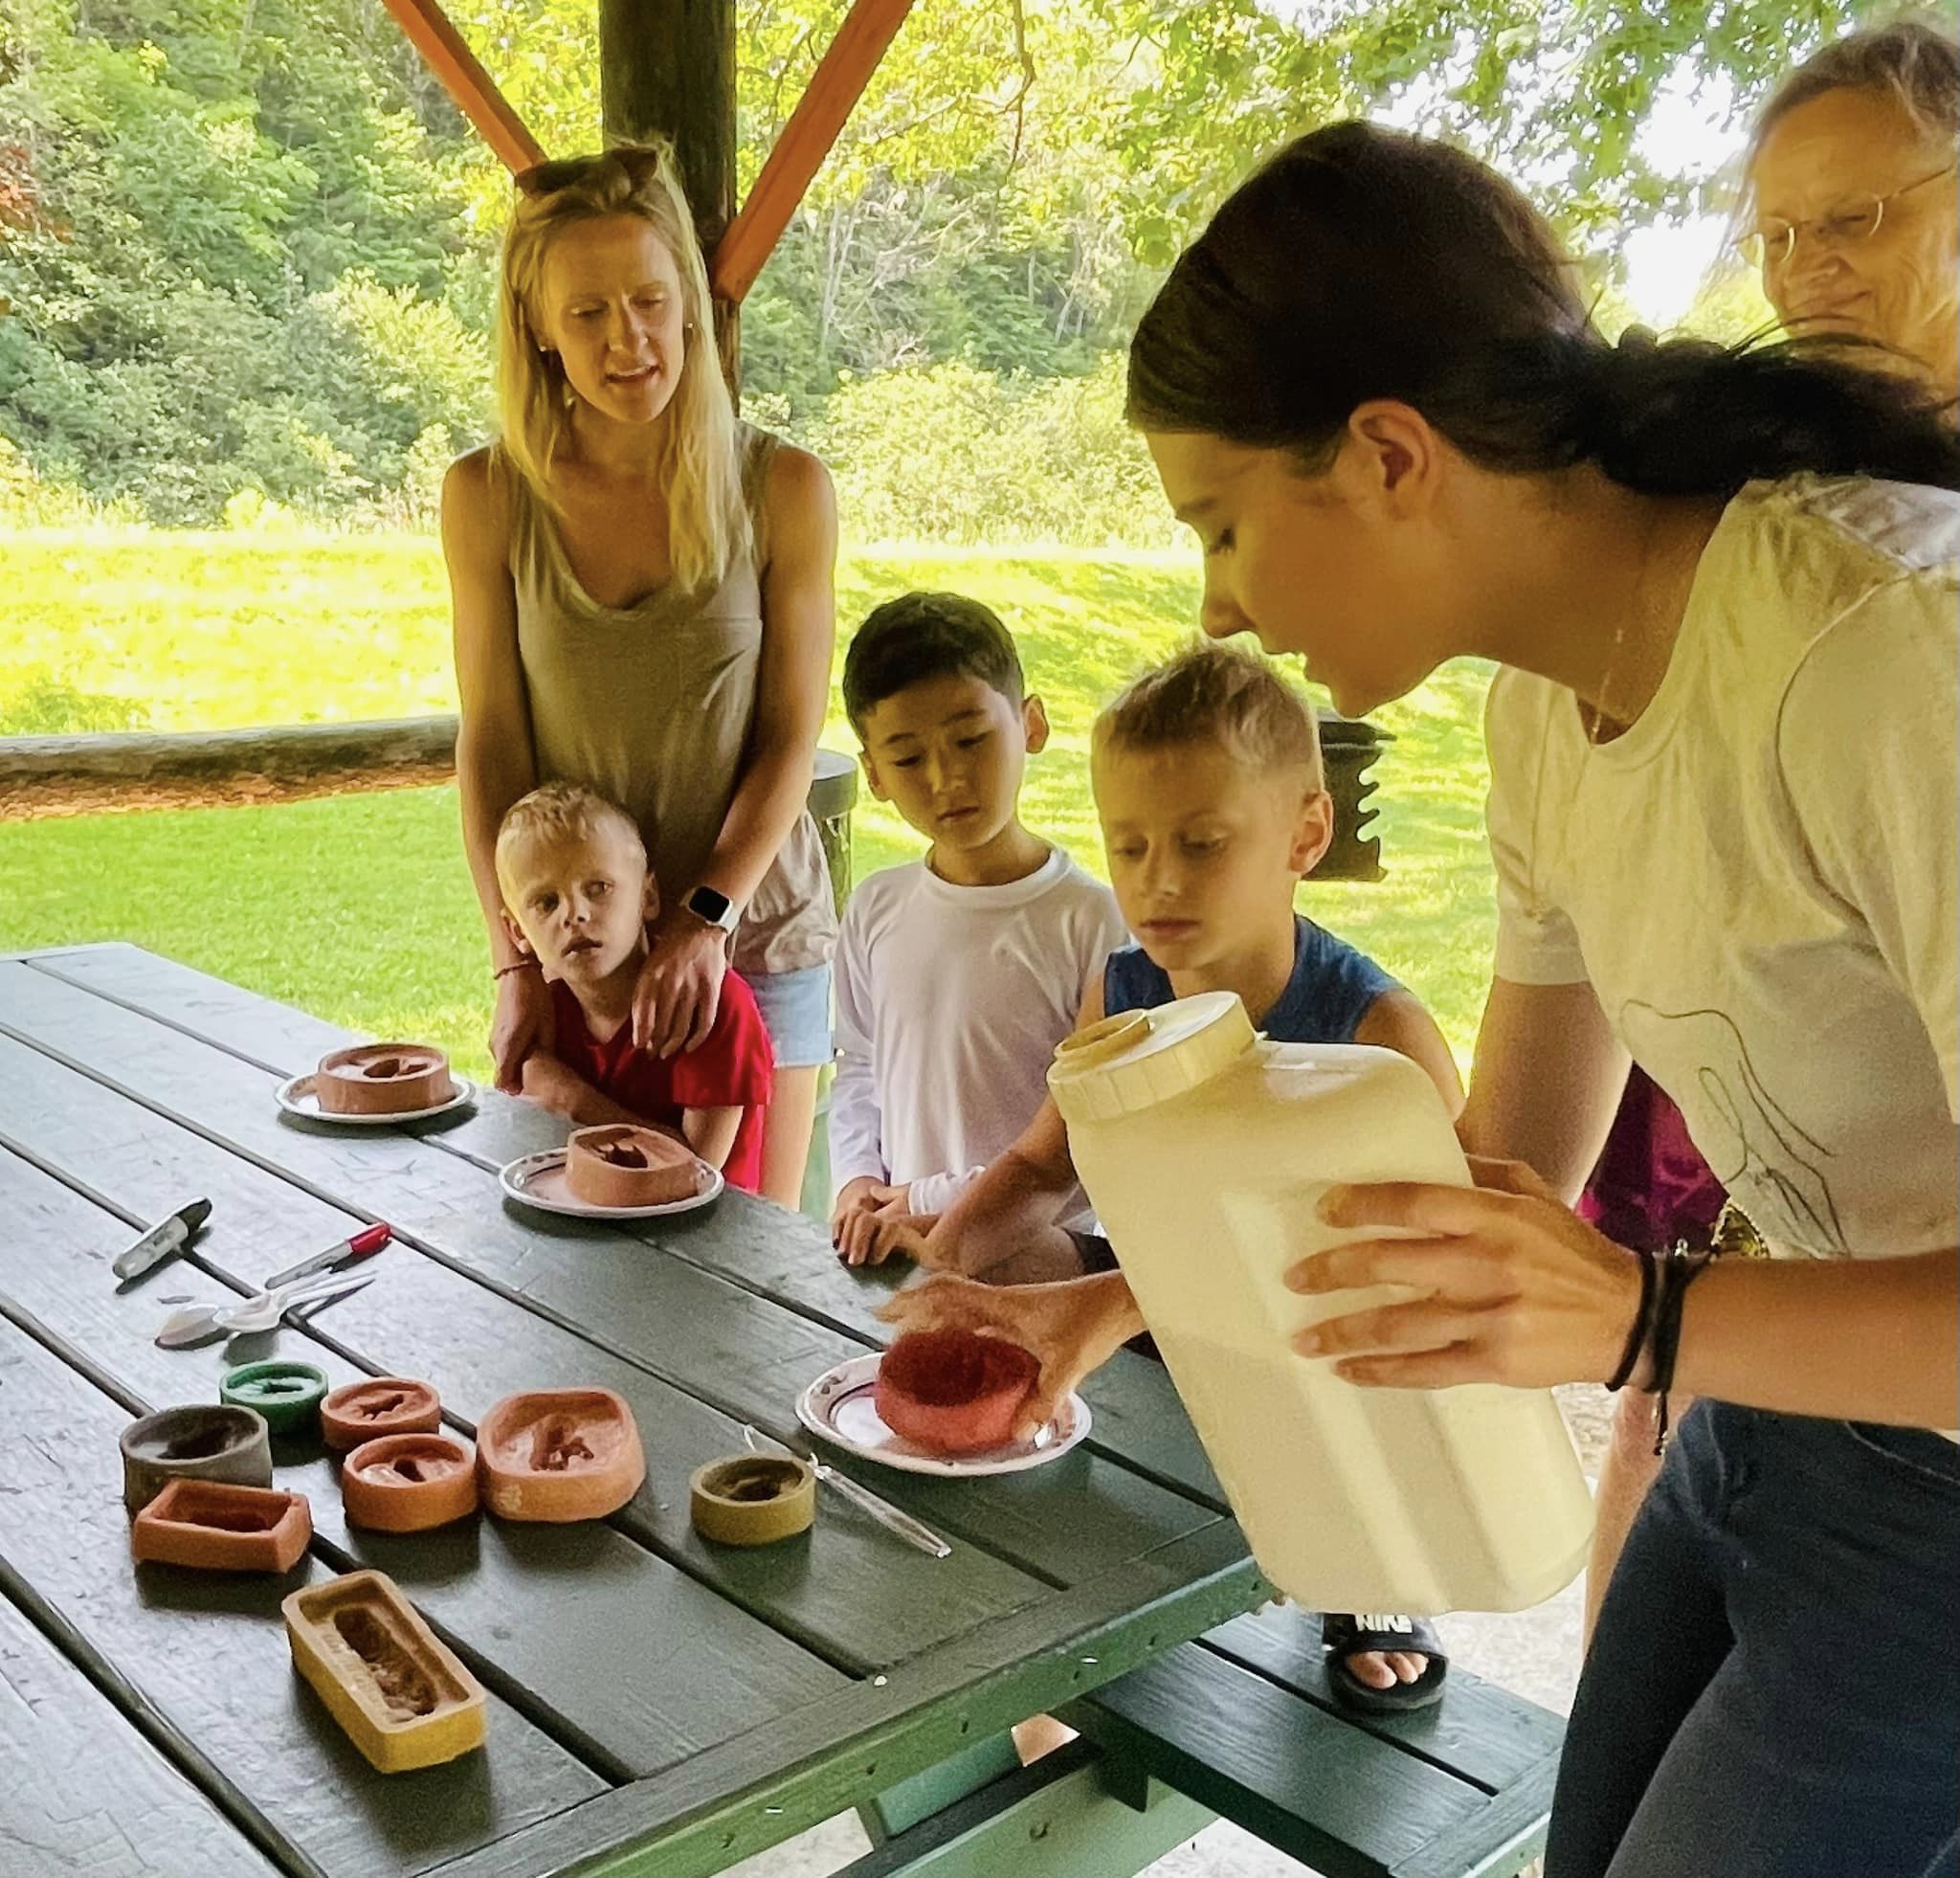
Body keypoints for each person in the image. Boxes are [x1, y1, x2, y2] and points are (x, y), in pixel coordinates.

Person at [886, 120, 1960, 1876]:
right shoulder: (1547, 707)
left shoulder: (1880, 652)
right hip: (1772, 1410)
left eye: (1220, 523)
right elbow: (1466, 1185)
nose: (1216, 598)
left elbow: (1616, 1297)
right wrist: (1108, 1311)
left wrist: (1643, 1318)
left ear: (1388, 453)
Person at [1581, 14, 1960, 1646]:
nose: (1806, 273)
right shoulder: (1796, 514)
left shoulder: (1912, 600)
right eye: (1779, 235)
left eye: (1856, 220)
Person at [902, 642, 1465, 1712]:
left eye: (1201, 845)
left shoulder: (1377, 1034)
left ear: (1304, 834)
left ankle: (1371, 1566)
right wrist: (942, 1268)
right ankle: (1027, 1458)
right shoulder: (1120, 994)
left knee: (1369, 1355)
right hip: (1155, 1289)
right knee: (1013, 1258)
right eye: (1127, 847)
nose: (1155, 883)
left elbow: (1417, 1278)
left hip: (1326, 1325)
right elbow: (1037, 1164)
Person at [443, 142, 837, 1208]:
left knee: (748, 1273)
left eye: (653, 300)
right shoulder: (486, 495)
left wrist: (700, 920)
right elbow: (492, 743)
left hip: (751, 933)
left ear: (692, 305)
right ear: (534, 325)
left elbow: (789, 735)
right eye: (589, 313)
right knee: (584, 1272)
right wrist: (515, 959)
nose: (631, 340)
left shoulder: (782, 486)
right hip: (577, 953)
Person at [827, 592, 1126, 1264]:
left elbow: (1087, 1140)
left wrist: (929, 1197)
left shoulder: (1092, 924)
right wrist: (855, 1183)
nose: (946, 777)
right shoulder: (877, 907)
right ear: (873, 772)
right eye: (906, 758)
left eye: (971, 738)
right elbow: (859, 1065)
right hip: (897, 1245)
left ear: (1032, 725)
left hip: (1043, 1262)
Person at [495, 782, 773, 1192]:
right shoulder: (544, 1011)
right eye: (547, 902)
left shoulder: (711, 1005)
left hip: (703, 1243)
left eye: (598, 888)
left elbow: (691, 1174)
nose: (576, 914)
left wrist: (573, 1102)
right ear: (518, 932)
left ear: (648, 896)